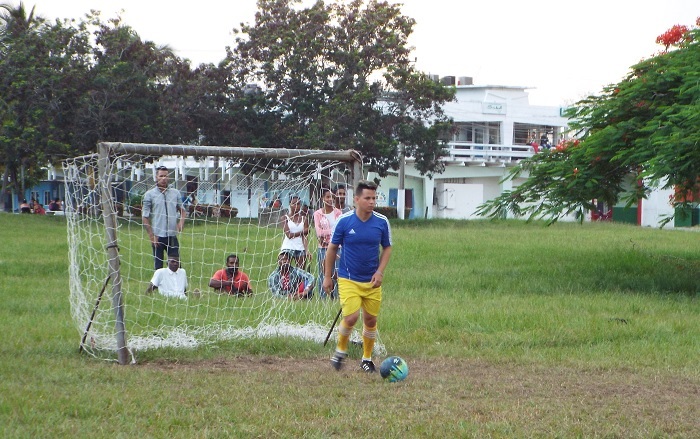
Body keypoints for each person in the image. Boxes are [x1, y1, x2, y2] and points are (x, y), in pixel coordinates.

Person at [324, 180, 392, 373]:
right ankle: (340, 350)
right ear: (356, 200)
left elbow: (387, 247)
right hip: (348, 278)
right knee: (352, 317)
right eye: (367, 198)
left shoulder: (381, 222)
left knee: (370, 320)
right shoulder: (344, 221)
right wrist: (328, 277)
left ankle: (367, 359)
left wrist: (380, 272)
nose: (372, 202)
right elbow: (332, 249)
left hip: (371, 281)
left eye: (374, 198)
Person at [142, 166, 186, 270]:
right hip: (158, 236)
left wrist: (181, 223)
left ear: (168, 177)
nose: (163, 178)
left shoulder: (175, 193)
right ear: (156, 177)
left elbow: (183, 211)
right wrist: (151, 235)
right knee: (158, 267)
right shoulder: (150, 195)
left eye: (165, 176)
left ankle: (178, 286)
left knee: (176, 266)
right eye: (161, 176)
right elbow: (145, 216)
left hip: (172, 235)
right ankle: (158, 286)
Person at [313, 187, 342, 299]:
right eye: (328, 197)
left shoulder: (338, 213)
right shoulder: (317, 214)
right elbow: (319, 232)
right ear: (322, 198)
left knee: (338, 273)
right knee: (323, 273)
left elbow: (340, 230)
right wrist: (333, 231)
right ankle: (323, 297)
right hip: (323, 248)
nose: (330, 199)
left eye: (332, 197)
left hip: (337, 247)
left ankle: (337, 297)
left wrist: (329, 234)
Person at [280, 195, 309, 269]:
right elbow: (289, 235)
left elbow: (305, 237)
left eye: (298, 204)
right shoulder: (284, 218)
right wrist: (303, 231)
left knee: (300, 272)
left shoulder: (304, 219)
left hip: (300, 247)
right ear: (290, 204)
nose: (296, 206)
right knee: (285, 270)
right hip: (287, 247)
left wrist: (307, 250)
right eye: (294, 204)